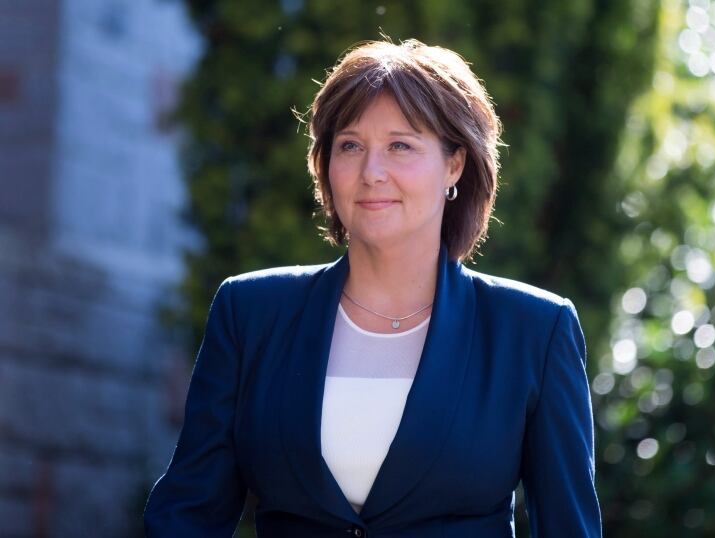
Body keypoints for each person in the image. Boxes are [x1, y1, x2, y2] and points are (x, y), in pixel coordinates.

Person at [144, 38, 602, 537]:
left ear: (454, 165)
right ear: (325, 166)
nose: (371, 172)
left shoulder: (534, 331)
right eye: (350, 146)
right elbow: (187, 514)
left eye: (400, 146)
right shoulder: (250, 312)